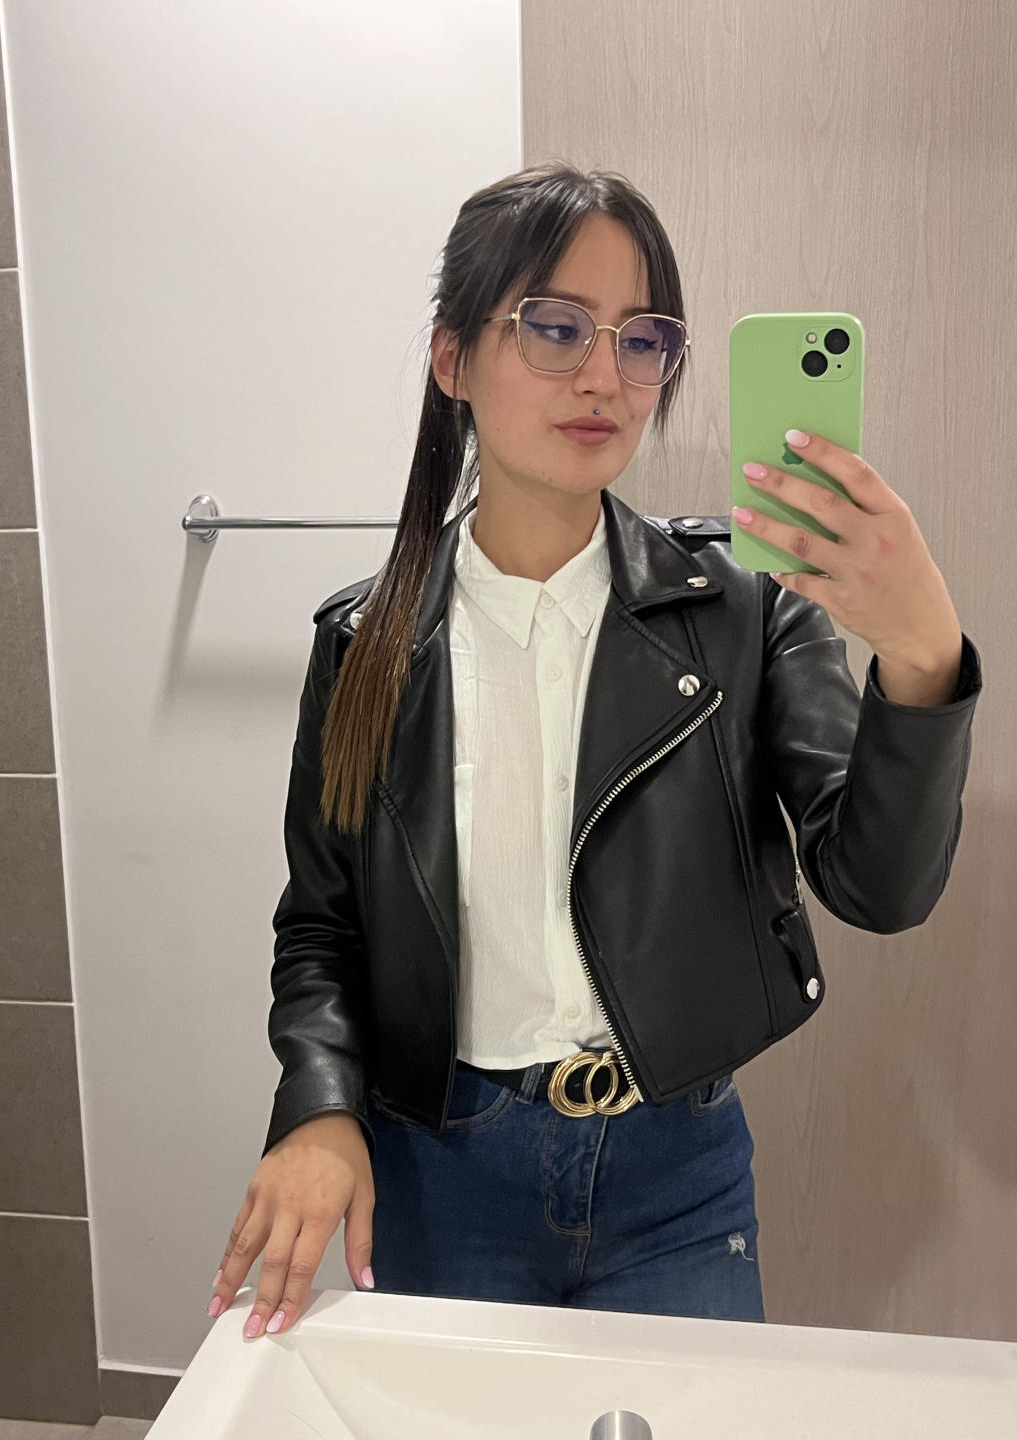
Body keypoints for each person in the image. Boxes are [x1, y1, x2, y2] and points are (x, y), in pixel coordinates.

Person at [207, 164, 981, 1341]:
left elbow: (880, 887)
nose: (605, 377)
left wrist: (923, 658)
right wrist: (317, 1106)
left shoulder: (747, 610)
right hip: (438, 1168)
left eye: (643, 338)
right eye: (556, 327)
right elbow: (321, 926)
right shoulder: (364, 646)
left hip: (677, 1177)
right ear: (452, 359)